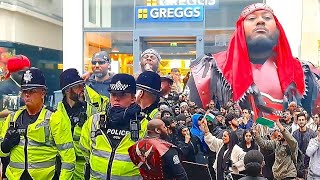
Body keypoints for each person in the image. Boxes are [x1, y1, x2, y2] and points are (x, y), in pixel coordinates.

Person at [187, 3, 319, 119]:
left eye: (267, 17)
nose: (260, 21)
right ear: (240, 29)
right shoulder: (208, 70)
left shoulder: (305, 73)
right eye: (252, 18)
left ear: (277, 28)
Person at [0, 67, 75, 180]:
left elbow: (68, 159)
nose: (27, 95)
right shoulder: (13, 118)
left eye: (32, 91)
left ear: (43, 93)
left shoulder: (55, 118)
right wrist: (5, 146)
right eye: (24, 91)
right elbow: (2, 153)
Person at [80, 74, 147, 179]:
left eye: (122, 95)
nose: (116, 99)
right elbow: (84, 151)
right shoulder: (94, 121)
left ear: (133, 98)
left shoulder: (143, 125)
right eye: (113, 94)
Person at [57, 68, 95, 179]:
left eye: (83, 85)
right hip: (61, 169)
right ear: (68, 90)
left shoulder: (91, 111)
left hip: (84, 171)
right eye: (78, 86)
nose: (83, 89)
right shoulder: (55, 112)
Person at [292, 112, 317, 178]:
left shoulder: (312, 134)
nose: (301, 121)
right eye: (299, 120)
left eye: (303, 120)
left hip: (309, 165)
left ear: (306, 121)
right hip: (297, 165)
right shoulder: (294, 134)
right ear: (297, 121)